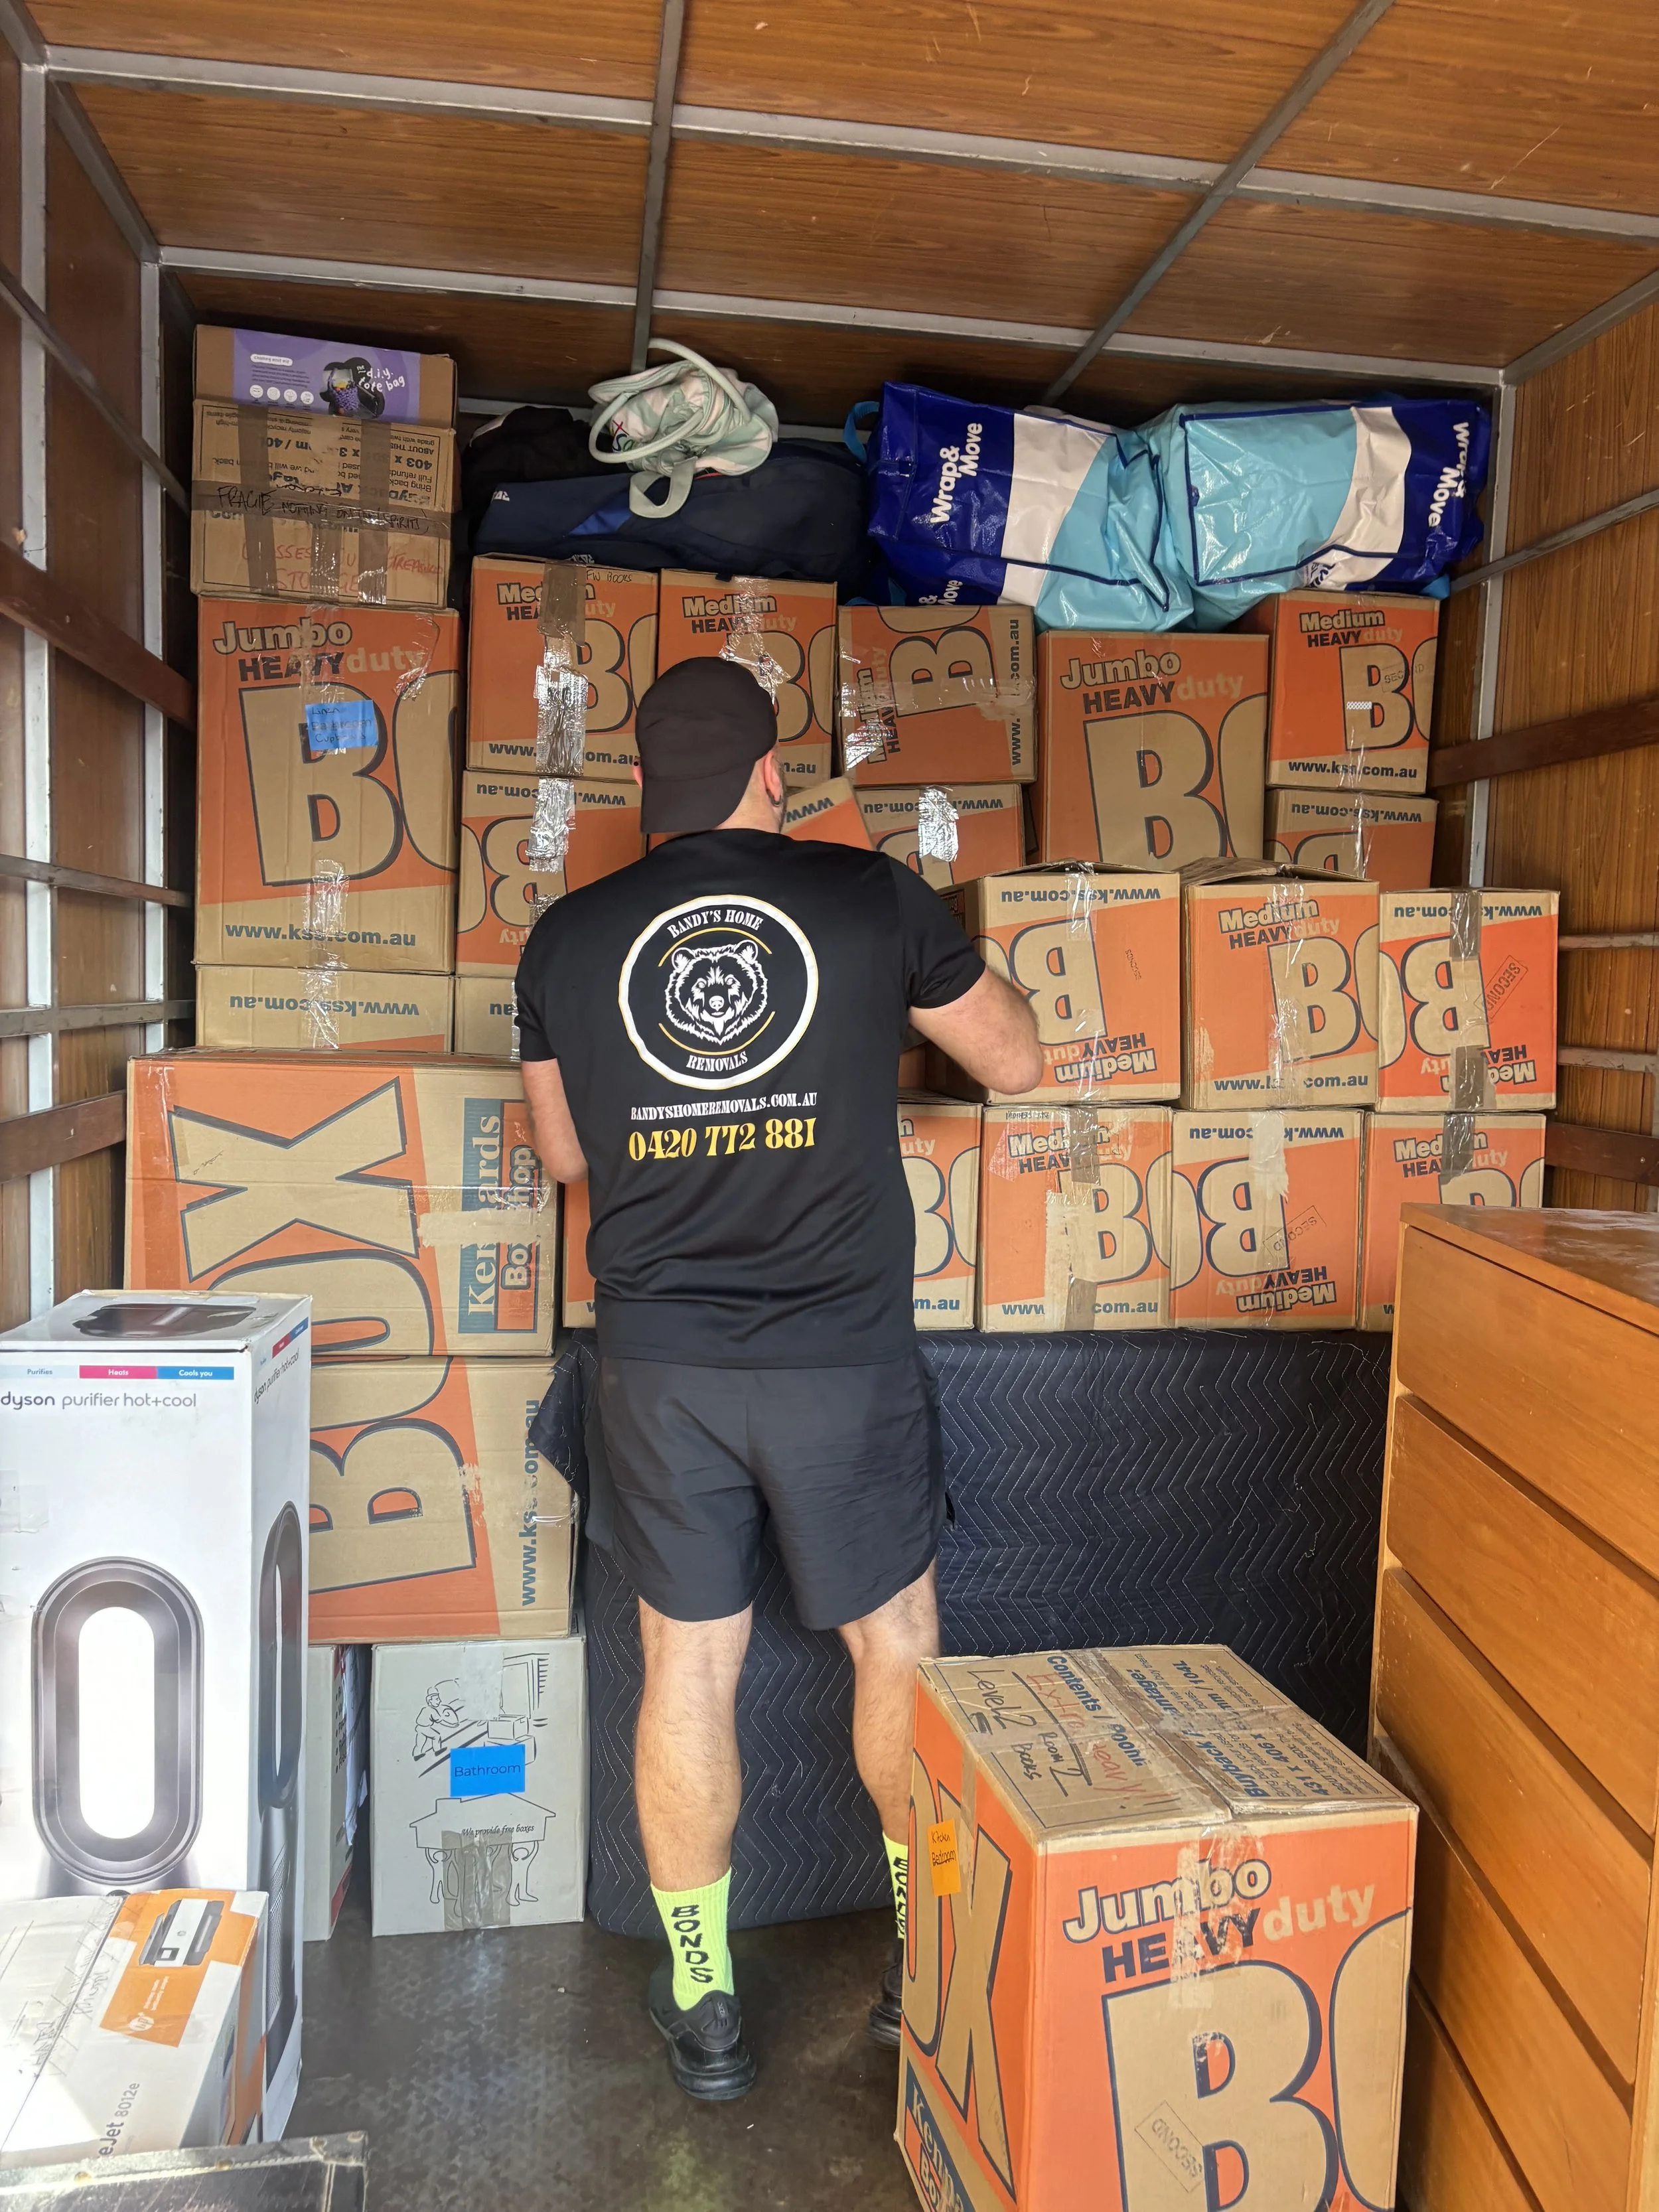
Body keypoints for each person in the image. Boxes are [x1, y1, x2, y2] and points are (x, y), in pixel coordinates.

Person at [516, 654, 1041, 2101]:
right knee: (896, 1647)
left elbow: (563, 1155)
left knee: (688, 1664)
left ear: (643, 792)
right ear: (771, 774)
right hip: (839, 1364)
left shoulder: (566, 937)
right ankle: (920, 1962)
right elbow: (1015, 1062)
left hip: (659, 1367)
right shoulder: (865, 897)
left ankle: (700, 1996)